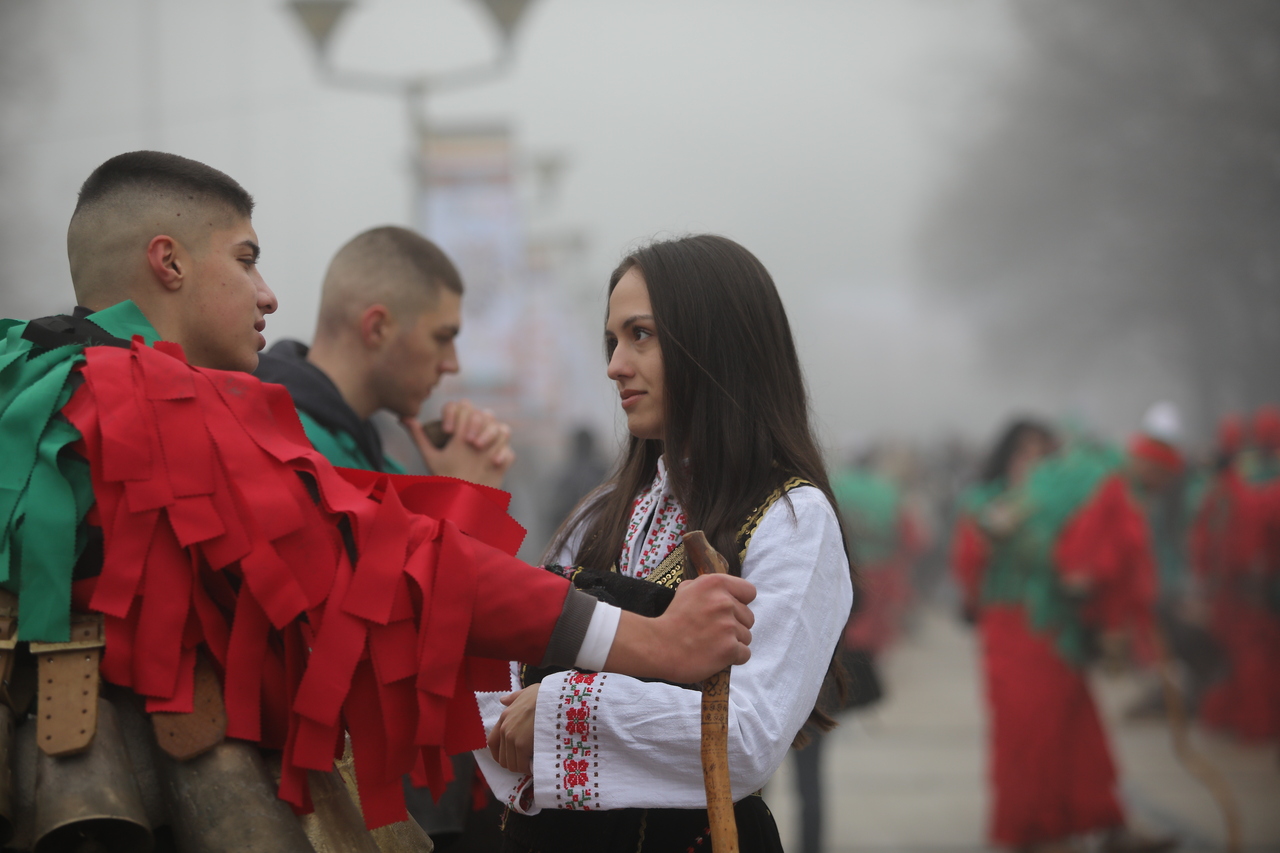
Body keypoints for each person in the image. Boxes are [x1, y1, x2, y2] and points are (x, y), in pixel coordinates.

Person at [0, 152, 758, 850]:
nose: (267, 293)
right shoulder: (146, 403)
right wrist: (647, 641)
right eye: (246, 258)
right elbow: (381, 560)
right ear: (167, 261)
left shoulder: (25, 377)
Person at [479, 234, 854, 852]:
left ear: (716, 345)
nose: (615, 365)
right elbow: (505, 692)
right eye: (612, 341)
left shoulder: (791, 518)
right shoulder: (601, 511)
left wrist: (560, 706)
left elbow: (748, 737)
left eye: (641, 335)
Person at [951, 419, 1175, 853]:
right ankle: (1035, 831)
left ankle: (1106, 823)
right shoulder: (987, 505)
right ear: (1005, 457)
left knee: (1080, 735)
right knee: (1030, 737)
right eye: (1023, 452)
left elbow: (1096, 557)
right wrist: (998, 530)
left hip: (1061, 636)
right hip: (1014, 633)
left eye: (1042, 453)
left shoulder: (1067, 504)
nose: (1033, 462)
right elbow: (969, 572)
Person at [255, 225, 514, 486]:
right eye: (441, 337)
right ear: (378, 329)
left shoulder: (374, 463)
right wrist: (467, 494)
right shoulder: (292, 457)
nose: (452, 365)